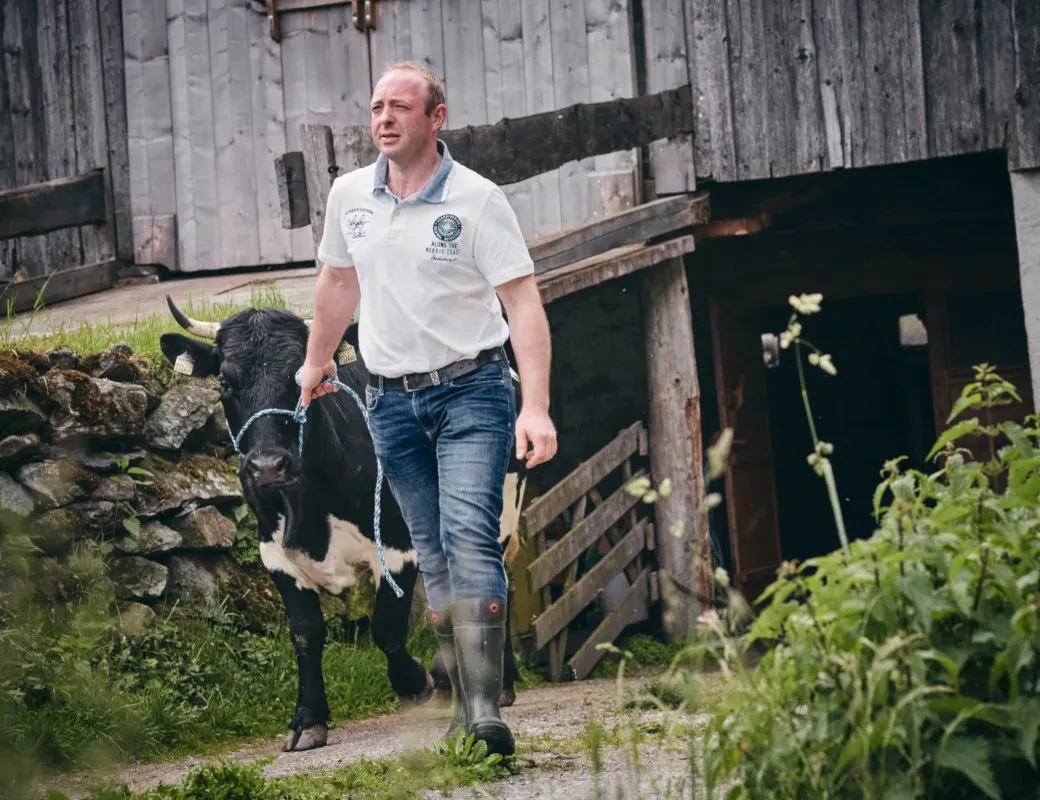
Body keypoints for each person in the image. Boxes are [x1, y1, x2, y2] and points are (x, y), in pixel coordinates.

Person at [297, 62, 557, 756]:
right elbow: (337, 283)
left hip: (473, 390)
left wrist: (537, 406)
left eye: (401, 107)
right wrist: (318, 362)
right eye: (377, 107)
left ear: (435, 119)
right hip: (388, 400)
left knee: (471, 537)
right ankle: (466, 709)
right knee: (433, 549)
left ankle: (482, 708)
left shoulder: (477, 200)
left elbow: (522, 303)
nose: (384, 118)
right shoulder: (350, 194)